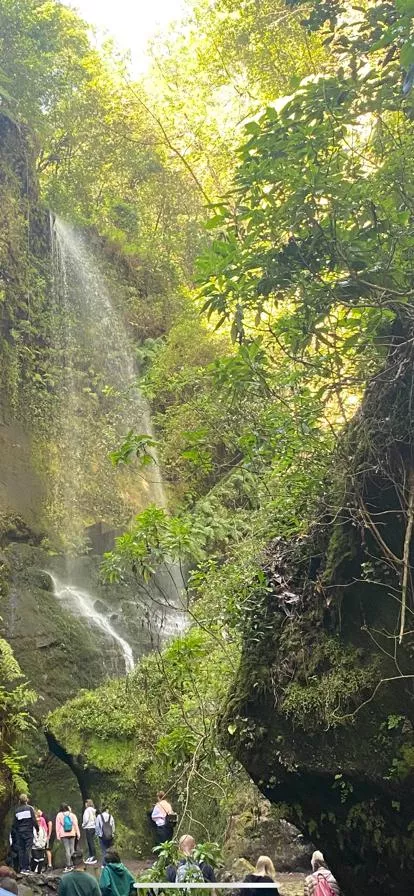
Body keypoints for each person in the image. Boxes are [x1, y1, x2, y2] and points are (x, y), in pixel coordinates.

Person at [11, 793, 38, 874]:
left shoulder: (17, 810)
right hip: (28, 832)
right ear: (27, 800)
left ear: (20, 801)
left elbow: (14, 824)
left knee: (21, 850)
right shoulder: (30, 809)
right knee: (27, 849)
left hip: (20, 833)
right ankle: (27, 868)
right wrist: (37, 829)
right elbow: (34, 820)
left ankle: (22, 868)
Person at [56, 804, 81, 873]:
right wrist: (78, 833)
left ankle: (68, 865)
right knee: (72, 848)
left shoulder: (59, 815)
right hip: (72, 833)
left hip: (64, 834)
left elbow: (57, 825)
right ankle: (73, 864)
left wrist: (58, 835)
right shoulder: (72, 815)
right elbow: (76, 824)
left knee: (67, 849)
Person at [82, 800, 97, 865]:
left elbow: (86, 819)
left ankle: (92, 856)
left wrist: (83, 825)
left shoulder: (87, 810)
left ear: (87, 804)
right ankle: (92, 856)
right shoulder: (93, 810)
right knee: (91, 842)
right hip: (93, 827)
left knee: (90, 842)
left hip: (88, 827)